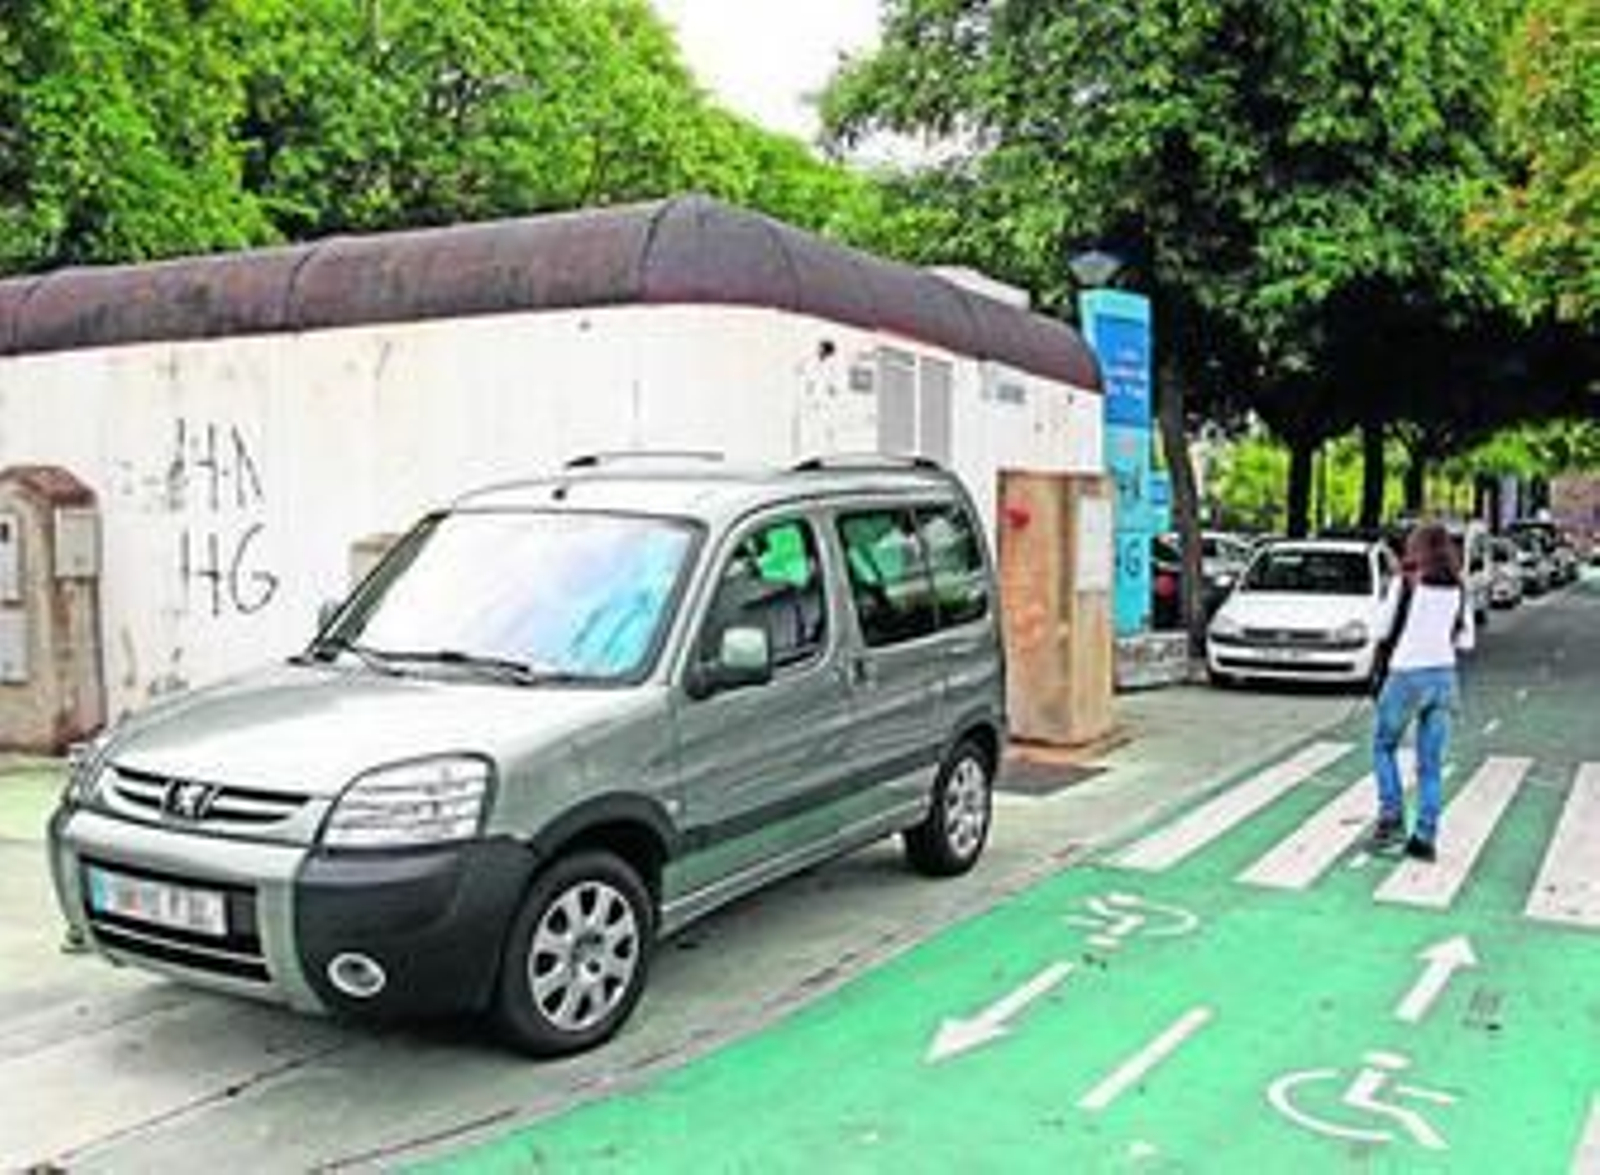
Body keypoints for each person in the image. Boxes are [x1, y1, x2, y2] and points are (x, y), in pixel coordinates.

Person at [1370, 522, 1475, 861]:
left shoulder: (1405, 583)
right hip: (1444, 677)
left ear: (1416, 549)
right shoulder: (1460, 587)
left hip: (1406, 675)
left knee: (1383, 746)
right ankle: (1424, 838)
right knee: (1430, 765)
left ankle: (1392, 820)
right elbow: (1466, 640)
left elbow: (1382, 630)